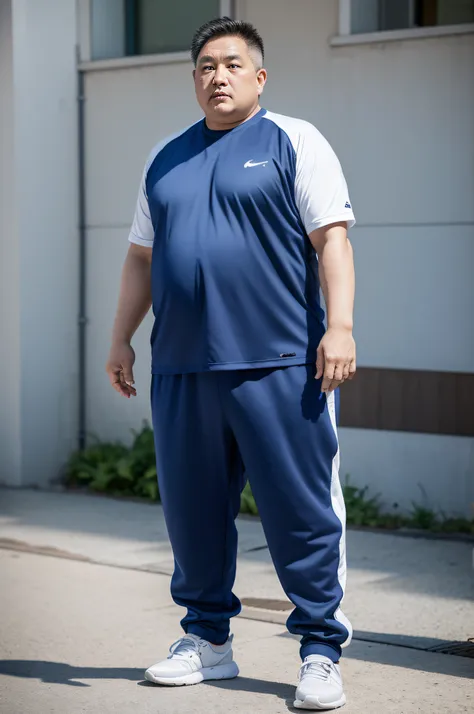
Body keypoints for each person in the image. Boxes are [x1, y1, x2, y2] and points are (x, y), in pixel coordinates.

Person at [106, 16, 356, 711]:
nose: (218, 76)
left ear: (259, 76)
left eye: (232, 64)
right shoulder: (166, 156)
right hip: (183, 367)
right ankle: (208, 643)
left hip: (280, 363)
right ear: (194, 80)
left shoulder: (293, 140)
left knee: (301, 514)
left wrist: (340, 327)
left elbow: (330, 239)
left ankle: (319, 651)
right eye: (206, 66)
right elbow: (140, 257)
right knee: (194, 516)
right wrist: (121, 337)